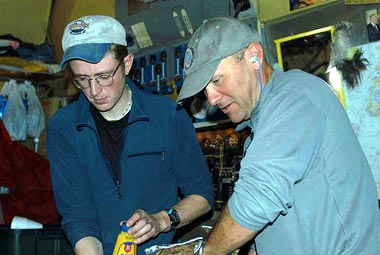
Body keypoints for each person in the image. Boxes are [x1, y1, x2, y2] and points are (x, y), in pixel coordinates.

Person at [177, 17, 380, 255]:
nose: (211, 99)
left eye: (217, 80)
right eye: (205, 90)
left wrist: (205, 251)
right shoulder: (258, 129)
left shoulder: (293, 98)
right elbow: (266, 228)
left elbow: (255, 200)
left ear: (254, 56)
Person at [46, 15, 214, 255]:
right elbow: (78, 216)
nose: (94, 91)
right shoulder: (63, 127)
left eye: (104, 77)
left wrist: (160, 221)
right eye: (82, 79)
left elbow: (202, 195)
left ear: (127, 64)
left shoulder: (168, 115)